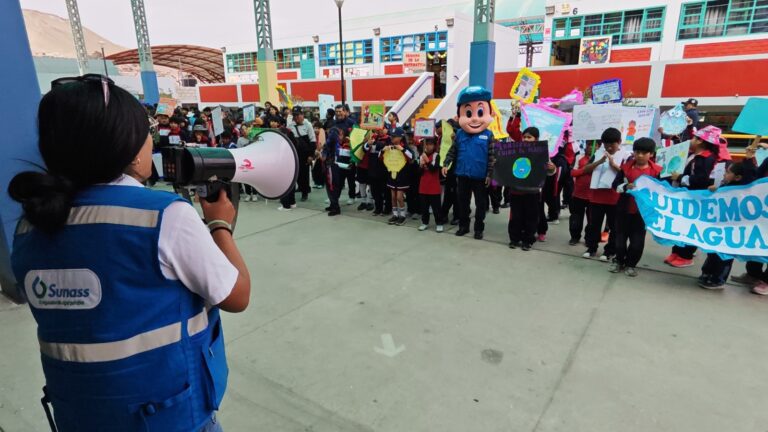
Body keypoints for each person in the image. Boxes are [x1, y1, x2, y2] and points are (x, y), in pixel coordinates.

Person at [8, 74, 250, 432]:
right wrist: (219, 226)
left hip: (81, 416)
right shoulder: (163, 215)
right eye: (145, 131)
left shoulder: (28, 226)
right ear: (128, 147)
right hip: (169, 418)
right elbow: (237, 295)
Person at [442, 86, 497, 240]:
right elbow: (452, 151)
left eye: (480, 112)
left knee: (480, 205)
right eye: (468, 113)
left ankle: (478, 229)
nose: (474, 118)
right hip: (463, 174)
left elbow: (492, 156)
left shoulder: (488, 135)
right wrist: (446, 164)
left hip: (480, 176)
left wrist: (489, 174)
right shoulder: (459, 134)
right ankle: (463, 226)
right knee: (462, 203)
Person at [666, 125, 720, 268]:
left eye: (694, 138)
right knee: (680, 224)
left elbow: (702, 179)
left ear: (701, 141)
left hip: (696, 198)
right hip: (686, 195)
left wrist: (680, 177)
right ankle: (676, 251)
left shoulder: (707, 158)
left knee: (691, 226)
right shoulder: (693, 155)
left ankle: (686, 255)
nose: (691, 140)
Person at [698, 162, 756, 289]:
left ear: (738, 177)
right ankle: (707, 272)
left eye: (728, 172)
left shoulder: (741, 191)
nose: (725, 174)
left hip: (731, 230)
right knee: (712, 251)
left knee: (724, 256)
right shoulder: (725, 186)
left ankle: (718, 279)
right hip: (718, 227)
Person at [610, 138, 662, 277]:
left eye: (644, 153)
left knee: (637, 242)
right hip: (623, 210)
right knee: (619, 240)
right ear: (633, 152)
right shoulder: (626, 169)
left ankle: (631, 264)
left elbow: (663, 191)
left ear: (651, 154)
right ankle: (618, 261)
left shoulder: (657, 172)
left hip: (642, 214)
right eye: (637, 152)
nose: (639, 155)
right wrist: (626, 186)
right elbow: (615, 185)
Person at [582, 127, 627, 261]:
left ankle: (609, 251)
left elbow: (626, 175)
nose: (608, 147)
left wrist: (613, 164)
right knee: (593, 225)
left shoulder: (625, 156)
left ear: (619, 142)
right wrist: (600, 161)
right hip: (597, 197)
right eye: (605, 144)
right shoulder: (598, 153)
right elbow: (586, 169)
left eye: (611, 144)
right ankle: (591, 248)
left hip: (614, 197)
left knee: (614, 226)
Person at [507, 127, 556, 251]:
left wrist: (551, 168)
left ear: (536, 139)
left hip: (533, 192)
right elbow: (507, 166)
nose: (526, 139)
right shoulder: (515, 150)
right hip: (516, 190)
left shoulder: (542, 153)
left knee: (531, 217)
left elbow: (550, 172)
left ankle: (528, 240)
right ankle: (514, 239)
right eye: (524, 137)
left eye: (529, 137)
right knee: (516, 217)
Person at [383, 127, 414, 226]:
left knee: (400, 197)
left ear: (400, 138)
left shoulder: (405, 147)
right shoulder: (389, 146)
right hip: (392, 174)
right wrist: (383, 150)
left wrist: (403, 149)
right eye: (391, 136)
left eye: (394, 136)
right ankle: (395, 214)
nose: (392, 138)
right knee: (393, 196)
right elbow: (381, 157)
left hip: (402, 175)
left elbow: (412, 157)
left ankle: (402, 215)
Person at [569, 141, 596, 245]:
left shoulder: (601, 159)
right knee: (576, 218)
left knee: (592, 220)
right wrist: (585, 170)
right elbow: (573, 173)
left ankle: (589, 239)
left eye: (595, 145)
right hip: (578, 194)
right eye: (589, 145)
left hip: (593, 196)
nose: (591, 147)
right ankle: (574, 237)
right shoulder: (579, 157)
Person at [287, 106, 316, 202]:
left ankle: (305, 192)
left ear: (302, 115)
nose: (296, 117)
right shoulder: (290, 125)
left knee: (304, 173)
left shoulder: (308, 125)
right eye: (294, 115)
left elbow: (312, 141)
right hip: (295, 153)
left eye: (298, 115)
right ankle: (300, 187)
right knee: (297, 173)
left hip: (305, 153)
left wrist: (311, 155)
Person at [417, 138, 443, 232]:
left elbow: (434, 169)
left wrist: (427, 161)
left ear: (434, 146)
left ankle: (439, 223)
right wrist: (421, 166)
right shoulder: (421, 156)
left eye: (431, 144)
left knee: (436, 207)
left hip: (433, 186)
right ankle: (424, 222)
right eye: (427, 144)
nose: (428, 146)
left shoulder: (437, 156)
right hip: (423, 186)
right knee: (424, 207)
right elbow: (419, 173)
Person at [334, 104, 357, 205]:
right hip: (338, 154)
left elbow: (357, 138)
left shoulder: (351, 123)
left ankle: (352, 196)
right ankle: (335, 197)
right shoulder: (334, 123)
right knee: (338, 178)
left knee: (350, 177)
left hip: (350, 154)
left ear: (345, 112)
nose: (338, 113)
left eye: (340, 111)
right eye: (337, 111)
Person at [322, 126, 345, 216]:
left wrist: (320, 153)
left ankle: (335, 207)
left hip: (330, 165)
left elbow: (324, 156)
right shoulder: (337, 142)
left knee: (331, 186)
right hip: (334, 165)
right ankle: (333, 205)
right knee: (332, 186)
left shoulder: (330, 140)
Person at [312, 121, 327, 189]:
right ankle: (316, 182)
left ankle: (321, 183)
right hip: (316, 154)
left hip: (320, 154)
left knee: (320, 169)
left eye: (317, 128)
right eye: (314, 128)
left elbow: (321, 143)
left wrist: (317, 151)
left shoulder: (322, 132)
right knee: (315, 169)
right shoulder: (315, 134)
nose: (315, 129)